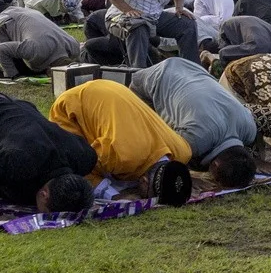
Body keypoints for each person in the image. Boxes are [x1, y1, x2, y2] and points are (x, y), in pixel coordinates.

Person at [48, 79, 194, 207]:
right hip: (72, 104)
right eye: (146, 195)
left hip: (113, 88)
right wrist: (114, 196)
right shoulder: (121, 157)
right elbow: (80, 167)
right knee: (66, 159)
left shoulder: (183, 151)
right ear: (143, 181)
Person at [130, 58, 259, 189]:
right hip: (150, 81)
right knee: (145, 141)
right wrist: (187, 176)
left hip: (190, 66)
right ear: (215, 165)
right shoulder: (196, 140)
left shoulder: (250, 128)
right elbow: (161, 155)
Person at [0, 6, 81, 79]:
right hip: (7, 21)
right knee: (4, 68)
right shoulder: (34, 50)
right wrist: (13, 76)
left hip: (31, 14)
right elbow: (0, 49)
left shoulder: (74, 46)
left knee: (31, 69)